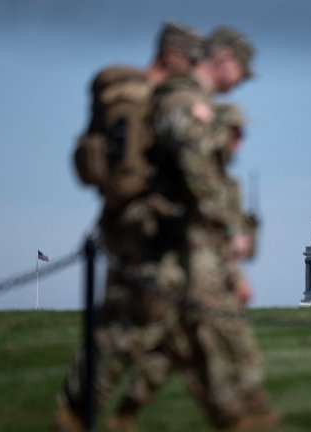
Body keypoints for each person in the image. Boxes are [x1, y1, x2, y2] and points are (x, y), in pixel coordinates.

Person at [105, 27, 278, 431]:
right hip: (186, 263)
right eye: (236, 131)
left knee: (178, 351)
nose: (241, 140)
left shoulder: (226, 176)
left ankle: (239, 416)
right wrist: (231, 257)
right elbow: (200, 197)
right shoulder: (188, 113)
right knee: (150, 342)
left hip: (196, 264)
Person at [55, 21, 206, 432]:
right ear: (174, 55)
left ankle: (97, 412)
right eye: (191, 59)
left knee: (121, 322)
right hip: (147, 225)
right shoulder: (156, 101)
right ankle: (83, 413)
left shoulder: (112, 91)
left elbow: (89, 160)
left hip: (114, 217)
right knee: (141, 326)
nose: (193, 69)